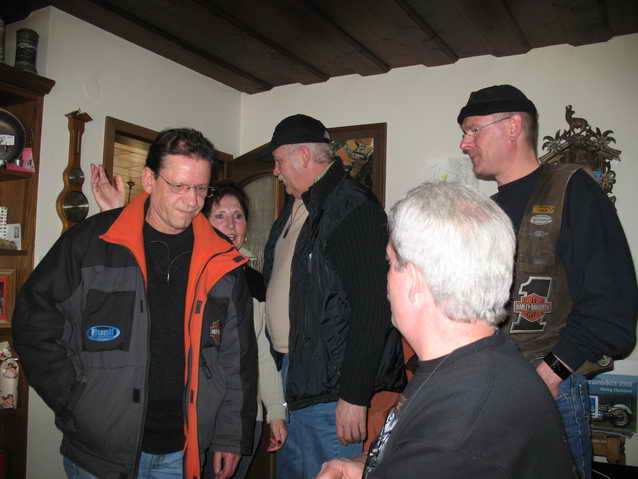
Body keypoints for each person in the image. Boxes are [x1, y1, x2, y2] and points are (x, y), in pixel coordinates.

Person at [12, 128, 258, 479]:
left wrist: (230, 436)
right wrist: (76, 401)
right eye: (179, 186)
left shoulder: (221, 258)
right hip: (99, 453)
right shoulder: (91, 243)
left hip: (182, 452)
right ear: (149, 179)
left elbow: (236, 358)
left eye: (201, 189)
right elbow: (34, 325)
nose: (192, 201)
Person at [318, 182, 577, 479]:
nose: (385, 278)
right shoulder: (482, 363)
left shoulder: (458, 428)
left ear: (414, 282)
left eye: (390, 263)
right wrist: (367, 467)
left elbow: (444, 451)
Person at [457, 85, 638, 479]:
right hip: (489, 388)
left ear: (512, 126)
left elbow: (612, 307)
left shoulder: (572, 190)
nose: (464, 143)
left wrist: (550, 374)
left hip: (549, 388)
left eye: (472, 130)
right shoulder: (488, 211)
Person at [263, 114, 405, 479]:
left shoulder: (351, 207)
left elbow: (373, 307)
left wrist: (354, 395)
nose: (275, 172)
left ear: (303, 156)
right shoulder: (299, 205)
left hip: (331, 389)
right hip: (294, 374)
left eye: (278, 161)